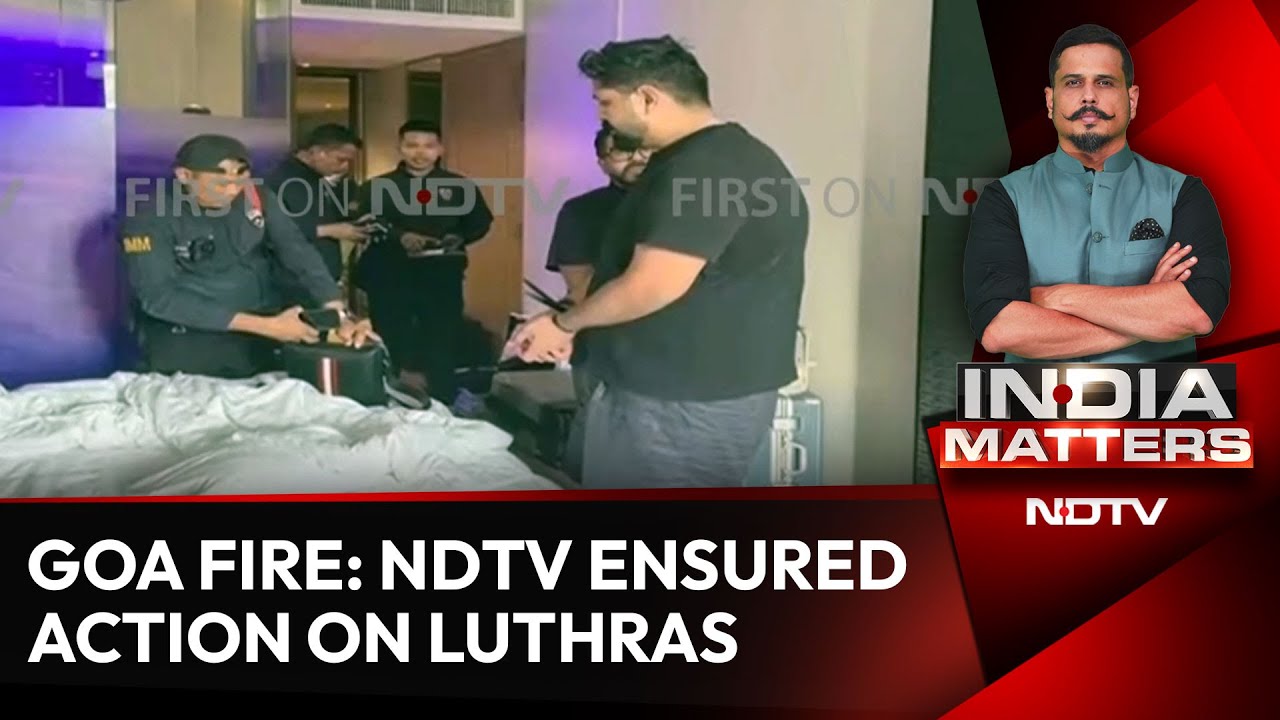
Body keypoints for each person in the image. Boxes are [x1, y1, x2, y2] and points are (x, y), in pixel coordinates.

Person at [507, 36, 809, 490]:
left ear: (647, 98)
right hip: (664, 392)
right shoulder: (704, 159)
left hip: (680, 402)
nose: (602, 116)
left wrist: (565, 324)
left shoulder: (708, 166)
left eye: (606, 102)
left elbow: (652, 284)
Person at [963, 24, 1230, 363]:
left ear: (1132, 99)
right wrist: (1149, 310)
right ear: (1050, 101)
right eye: (1073, 82)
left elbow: (1196, 312)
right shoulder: (1005, 198)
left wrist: (1055, 297)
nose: (1089, 96)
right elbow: (1001, 329)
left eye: (1104, 82)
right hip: (1038, 397)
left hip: (1158, 396)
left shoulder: (1183, 194)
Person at [120, 133, 375, 379]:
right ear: (185, 176)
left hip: (261, 336)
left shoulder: (255, 197)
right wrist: (267, 327)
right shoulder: (150, 217)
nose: (233, 190)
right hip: (193, 342)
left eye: (240, 180)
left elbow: (297, 251)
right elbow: (158, 297)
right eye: (221, 184)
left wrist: (336, 312)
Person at [355, 120, 494, 412]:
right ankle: (390, 400)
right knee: (392, 335)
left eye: (428, 146)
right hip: (390, 275)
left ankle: (443, 400)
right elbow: (364, 222)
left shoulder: (459, 186)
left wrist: (458, 238)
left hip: (441, 275)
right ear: (400, 148)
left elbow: (480, 222)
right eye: (412, 145)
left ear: (440, 149)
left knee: (442, 336)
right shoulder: (378, 187)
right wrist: (399, 236)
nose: (420, 153)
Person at [545, 121, 650, 482]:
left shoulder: (680, 205)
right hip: (603, 347)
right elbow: (580, 289)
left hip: (674, 352)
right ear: (602, 162)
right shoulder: (581, 211)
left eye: (645, 148)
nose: (638, 158)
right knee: (598, 440)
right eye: (622, 151)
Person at [264, 123, 371, 298]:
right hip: (291, 282)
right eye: (341, 160)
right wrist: (329, 230)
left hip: (316, 279)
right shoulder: (280, 180)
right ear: (318, 152)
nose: (345, 167)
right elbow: (269, 230)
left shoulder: (318, 180)